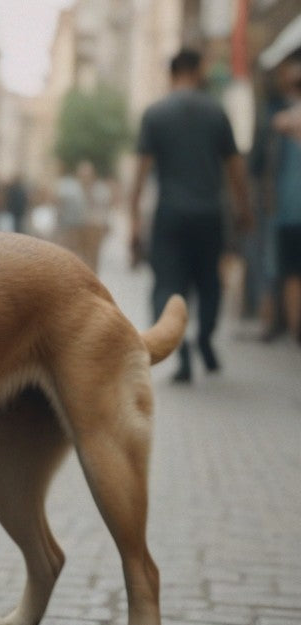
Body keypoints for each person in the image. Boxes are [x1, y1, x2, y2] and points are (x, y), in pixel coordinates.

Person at [130, 48, 252, 383]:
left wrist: (134, 221)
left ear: (172, 74)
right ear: (197, 71)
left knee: (167, 286)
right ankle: (205, 338)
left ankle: (179, 353)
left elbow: (140, 173)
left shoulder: (155, 114)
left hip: (169, 214)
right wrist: (244, 209)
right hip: (210, 213)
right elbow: (235, 166)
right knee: (209, 282)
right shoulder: (216, 111)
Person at [268, 56, 301, 344]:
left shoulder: (283, 119)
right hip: (289, 209)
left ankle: (295, 331)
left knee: (291, 273)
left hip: (290, 210)